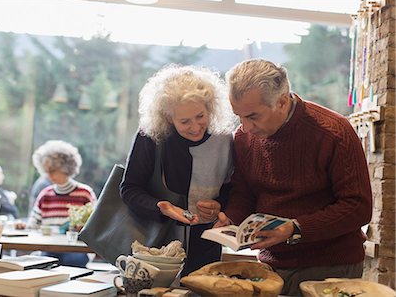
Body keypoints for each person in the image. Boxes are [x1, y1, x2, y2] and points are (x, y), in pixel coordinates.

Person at [216, 59, 373, 296]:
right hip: (272, 265)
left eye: (253, 116)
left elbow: (358, 207)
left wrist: (295, 228)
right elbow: (244, 193)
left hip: (332, 266)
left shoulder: (334, 132)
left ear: (281, 101)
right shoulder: (244, 138)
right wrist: (230, 219)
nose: (245, 127)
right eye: (239, 117)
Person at [120, 64, 236, 276]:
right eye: (184, 121)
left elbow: (234, 188)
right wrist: (160, 207)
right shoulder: (152, 136)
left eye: (200, 116)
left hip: (206, 245)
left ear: (210, 107)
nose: (195, 127)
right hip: (155, 246)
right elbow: (129, 189)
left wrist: (220, 206)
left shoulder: (224, 138)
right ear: (168, 118)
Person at [27, 140, 96, 267]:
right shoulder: (45, 194)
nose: (48, 175)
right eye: (46, 170)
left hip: (76, 249)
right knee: (42, 261)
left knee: (71, 260)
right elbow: (32, 225)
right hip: (49, 248)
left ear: (66, 168)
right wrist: (23, 226)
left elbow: (96, 226)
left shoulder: (85, 193)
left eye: (53, 170)